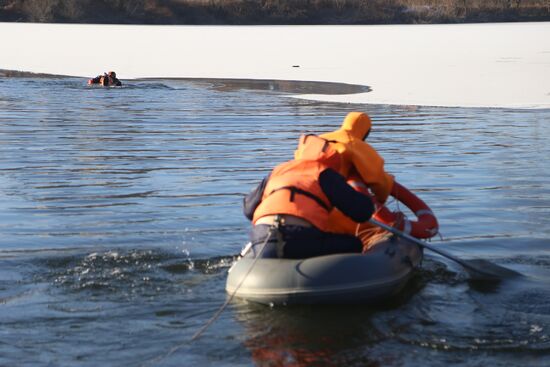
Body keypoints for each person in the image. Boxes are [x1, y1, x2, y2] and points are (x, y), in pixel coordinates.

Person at [242, 134, 375, 259]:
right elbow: (362, 212)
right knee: (354, 244)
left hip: (261, 238)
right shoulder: (324, 173)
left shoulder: (278, 171)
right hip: (299, 238)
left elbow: (248, 210)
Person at [295, 111, 402, 251]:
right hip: (343, 210)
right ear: (365, 132)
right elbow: (378, 180)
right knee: (372, 231)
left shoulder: (318, 140)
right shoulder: (356, 144)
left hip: (305, 211)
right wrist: (380, 200)